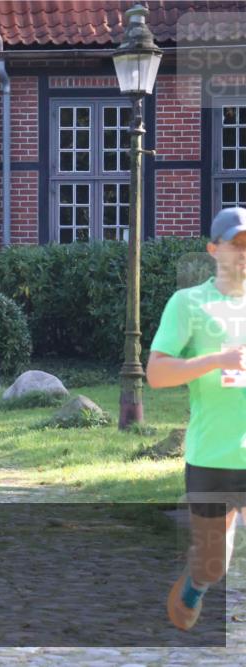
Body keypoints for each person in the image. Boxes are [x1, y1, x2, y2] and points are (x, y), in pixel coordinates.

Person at [147, 207, 246, 631]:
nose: (244, 252)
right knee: (212, 565)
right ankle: (195, 586)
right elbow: (156, 374)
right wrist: (217, 361)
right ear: (212, 250)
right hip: (213, 457)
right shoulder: (189, 304)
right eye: (236, 243)